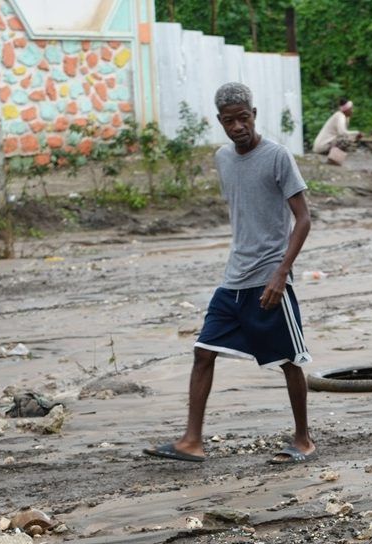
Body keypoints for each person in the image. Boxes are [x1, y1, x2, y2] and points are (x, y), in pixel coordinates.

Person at [145, 82, 316, 465]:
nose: (237, 126)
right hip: (234, 280)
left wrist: (280, 273)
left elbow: (303, 219)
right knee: (203, 352)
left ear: (254, 115)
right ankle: (191, 440)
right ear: (220, 122)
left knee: (289, 361)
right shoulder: (223, 159)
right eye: (229, 121)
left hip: (269, 280)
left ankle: (303, 439)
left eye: (243, 118)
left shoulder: (278, 157)